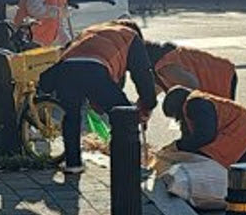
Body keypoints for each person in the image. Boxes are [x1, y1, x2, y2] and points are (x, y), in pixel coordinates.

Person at [38, 20, 157, 174]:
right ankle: (128, 166)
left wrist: (98, 98)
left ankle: (73, 164)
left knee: (71, 115)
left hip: (66, 69)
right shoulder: (131, 36)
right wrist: (148, 103)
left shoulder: (91, 30)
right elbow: (142, 74)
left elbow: (73, 54)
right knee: (125, 116)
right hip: (96, 69)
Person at [160, 86, 246, 170]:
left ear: (178, 108)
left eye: (176, 117)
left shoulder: (195, 105)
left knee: (210, 164)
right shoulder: (201, 101)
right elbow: (194, 138)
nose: (179, 122)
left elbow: (204, 137)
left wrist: (177, 146)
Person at [144, 40, 238, 99]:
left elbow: (192, 84)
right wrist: (144, 103)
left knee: (223, 116)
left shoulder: (165, 66)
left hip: (221, 74)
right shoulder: (163, 58)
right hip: (222, 70)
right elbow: (158, 88)